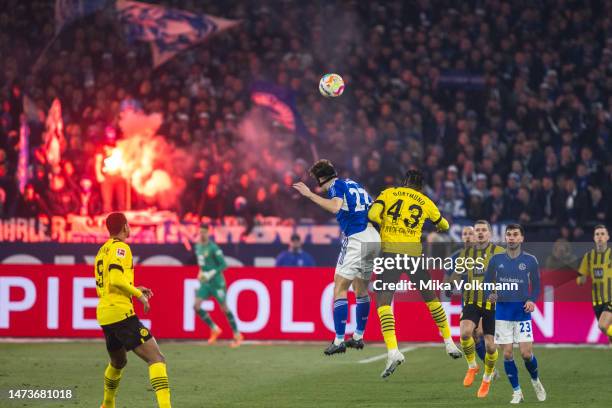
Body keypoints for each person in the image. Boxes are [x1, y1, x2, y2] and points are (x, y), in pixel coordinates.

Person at [367, 169, 462, 378]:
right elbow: (444, 224)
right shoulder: (425, 201)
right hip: (414, 255)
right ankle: (449, 342)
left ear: (404, 182)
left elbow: (372, 215)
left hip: (390, 252)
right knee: (431, 299)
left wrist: (386, 225)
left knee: (383, 302)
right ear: (421, 186)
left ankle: (393, 350)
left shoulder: (389, 193)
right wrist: (438, 226)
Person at [293, 159, 381, 355]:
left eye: (317, 181)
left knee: (340, 288)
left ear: (323, 178)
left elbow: (335, 207)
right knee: (361, 289)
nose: (319, 186)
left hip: (356, 238)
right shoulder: (353, 184)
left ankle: (339, 339)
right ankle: (358, 336)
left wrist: (309, 195)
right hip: (374, 238)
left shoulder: (336, 185)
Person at [94, 212, 171, 408]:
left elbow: (112, 282)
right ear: (125, 227)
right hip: (121, 313)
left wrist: (136, 288)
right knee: (156, 358)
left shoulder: (103, 250)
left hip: (105, 313)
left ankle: (107, 404)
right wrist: (139, 296)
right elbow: (117, 279)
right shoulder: (122, 248)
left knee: (118, 362)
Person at [484, 224, 546, 404]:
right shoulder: (496, 260)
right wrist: (491, 293)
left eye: (515, 235)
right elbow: (487, 282)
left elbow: (536, 285)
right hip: (502, 313)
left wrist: (532, 300)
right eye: (508, 235)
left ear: (521, 238)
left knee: (526, 354)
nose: (511, 237)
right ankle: (517, 391)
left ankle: (535, 380)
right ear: (505, 238)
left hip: (521, 312)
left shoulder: (530, 260)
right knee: (508, 354)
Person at [448, 220, 504, 397]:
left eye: (483, 230)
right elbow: (457, 273)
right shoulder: (466, 254)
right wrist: (450, 285)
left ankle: (487, 378)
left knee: (490, 347)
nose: (480, 233)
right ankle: (473, 366)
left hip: (491, 304)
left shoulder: (499, 253)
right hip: (471, 300)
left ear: (489, 233)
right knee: (465, 333)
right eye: (477, 230)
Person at [193, 224, 243, 347]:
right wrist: (200, 273)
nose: (202, 234)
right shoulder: (197, 247)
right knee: (196, 306)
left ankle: (237, 335)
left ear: (208, 233)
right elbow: (202, 264)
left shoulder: (213, 247)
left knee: (224, 308)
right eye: (201, 232)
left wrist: (210, 273)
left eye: (204, 232)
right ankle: (214, 328)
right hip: (206, 282)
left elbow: (224, 265)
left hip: (217, 282)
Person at [576, 225, 612, 343]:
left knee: (602, 325)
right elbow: (581, 276)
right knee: (608, 333)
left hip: (610, 298)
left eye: (602, 234)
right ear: (594, 238)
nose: (600, 236)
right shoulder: (589, 257)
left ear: (607, 237)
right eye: (597, 234)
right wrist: (580, 280)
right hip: (597, 301)